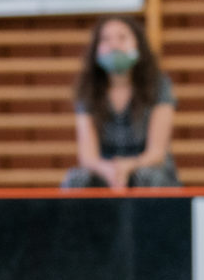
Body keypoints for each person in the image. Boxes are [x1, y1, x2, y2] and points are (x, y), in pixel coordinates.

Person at [62, 15, 179, 190]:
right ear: (96, 49)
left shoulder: (158, 85)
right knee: (76, 179)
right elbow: (88, 157)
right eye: (106, 39)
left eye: (122, 37)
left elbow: (156, 153)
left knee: (148, 177)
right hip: (105, 171)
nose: (114, 45)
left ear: (138, 44)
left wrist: (127, 166)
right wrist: (109, 170)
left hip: (145, 168)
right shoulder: (88, 90)